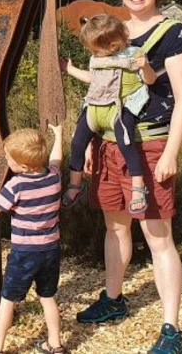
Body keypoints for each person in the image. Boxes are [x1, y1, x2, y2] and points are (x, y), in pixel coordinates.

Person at [63, 0, 182, 354]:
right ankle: (114, 300)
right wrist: (87, 143)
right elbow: (98, 91)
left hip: (151, 145)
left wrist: (171, 152)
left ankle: (171, 328)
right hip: (108, 146)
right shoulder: (113, 31)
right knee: (116, 227)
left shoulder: (173, 34)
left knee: (158, 237)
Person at [0, 124, 69, 354]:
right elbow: (57, 159)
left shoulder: (16, 186)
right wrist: (58, 135)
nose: (6, 161)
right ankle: (55, 345)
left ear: (22, 166)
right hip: (50, 250)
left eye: (7, 158)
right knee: (48, 297)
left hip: (24, 253)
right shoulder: (53, 177)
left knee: (8, 300)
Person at [62, 14, 158, 215]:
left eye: (95, 49)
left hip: (119, 108)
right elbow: (92, 78)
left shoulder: (134, 55)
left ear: (113, 45)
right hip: (95, 107)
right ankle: (75, 185)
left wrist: (145, 66)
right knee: (77, 143)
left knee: (126, 144)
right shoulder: (97, 58)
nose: (93, 53)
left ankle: (138, 188)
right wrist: (70, 70)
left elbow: (149, 81)